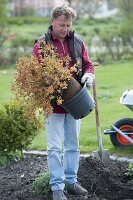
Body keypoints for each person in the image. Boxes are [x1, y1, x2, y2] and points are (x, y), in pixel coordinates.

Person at [32, 2, 94, 200]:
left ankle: (71, 181)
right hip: (53, 106)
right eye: (62, 25)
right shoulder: (41, 45)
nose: (65, 29)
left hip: (75, 102)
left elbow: (87, 64)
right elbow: (35, 74)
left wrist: (89, 76)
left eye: (68, 25)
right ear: (53, 22)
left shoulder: (76, 41)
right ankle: (57, 187)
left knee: (73, 145)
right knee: (53, 148)